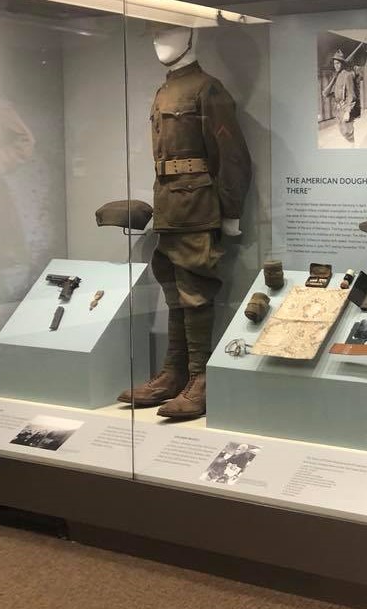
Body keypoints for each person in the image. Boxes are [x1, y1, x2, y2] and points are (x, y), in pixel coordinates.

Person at [118, 26, 251, 419]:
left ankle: (200, 378)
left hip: (198, 206)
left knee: (195, 290)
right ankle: (174, 373)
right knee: (174, 288)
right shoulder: (165, 91)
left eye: (169, 33)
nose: (158, 42)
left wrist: (231, 212)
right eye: (154, 34)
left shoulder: (208, 89)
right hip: (171, 208)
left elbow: (232, 156)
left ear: (192, 37)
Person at [323, 49, 358, 143]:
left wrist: (347, 111)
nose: (336, 66)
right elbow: (326, 93)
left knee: (348, 132)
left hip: (345, 107)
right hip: (338, 109)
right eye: (335, 64)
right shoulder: (337, 76)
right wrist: (333, 80)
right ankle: (350, 144)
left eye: (338, 63)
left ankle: (353, 146)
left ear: (343, 64)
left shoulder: (348, 75)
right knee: (342, 131)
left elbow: (351, 95)